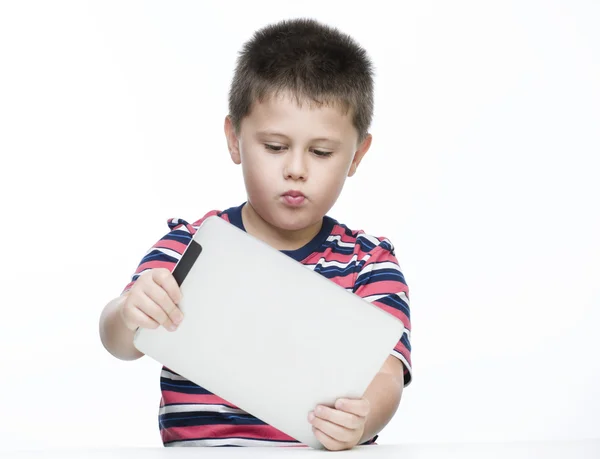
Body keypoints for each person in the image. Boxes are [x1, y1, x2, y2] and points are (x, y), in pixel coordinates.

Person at [99, 17, 412, 450]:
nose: (296, 169)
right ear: (234, 139)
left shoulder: (368, 264)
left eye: (321, 152)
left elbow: (386, 376)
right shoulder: (192, 245)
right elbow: (119, 340)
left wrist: (362, 421)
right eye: (275, 147)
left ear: (357, 155)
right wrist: (129, 311)